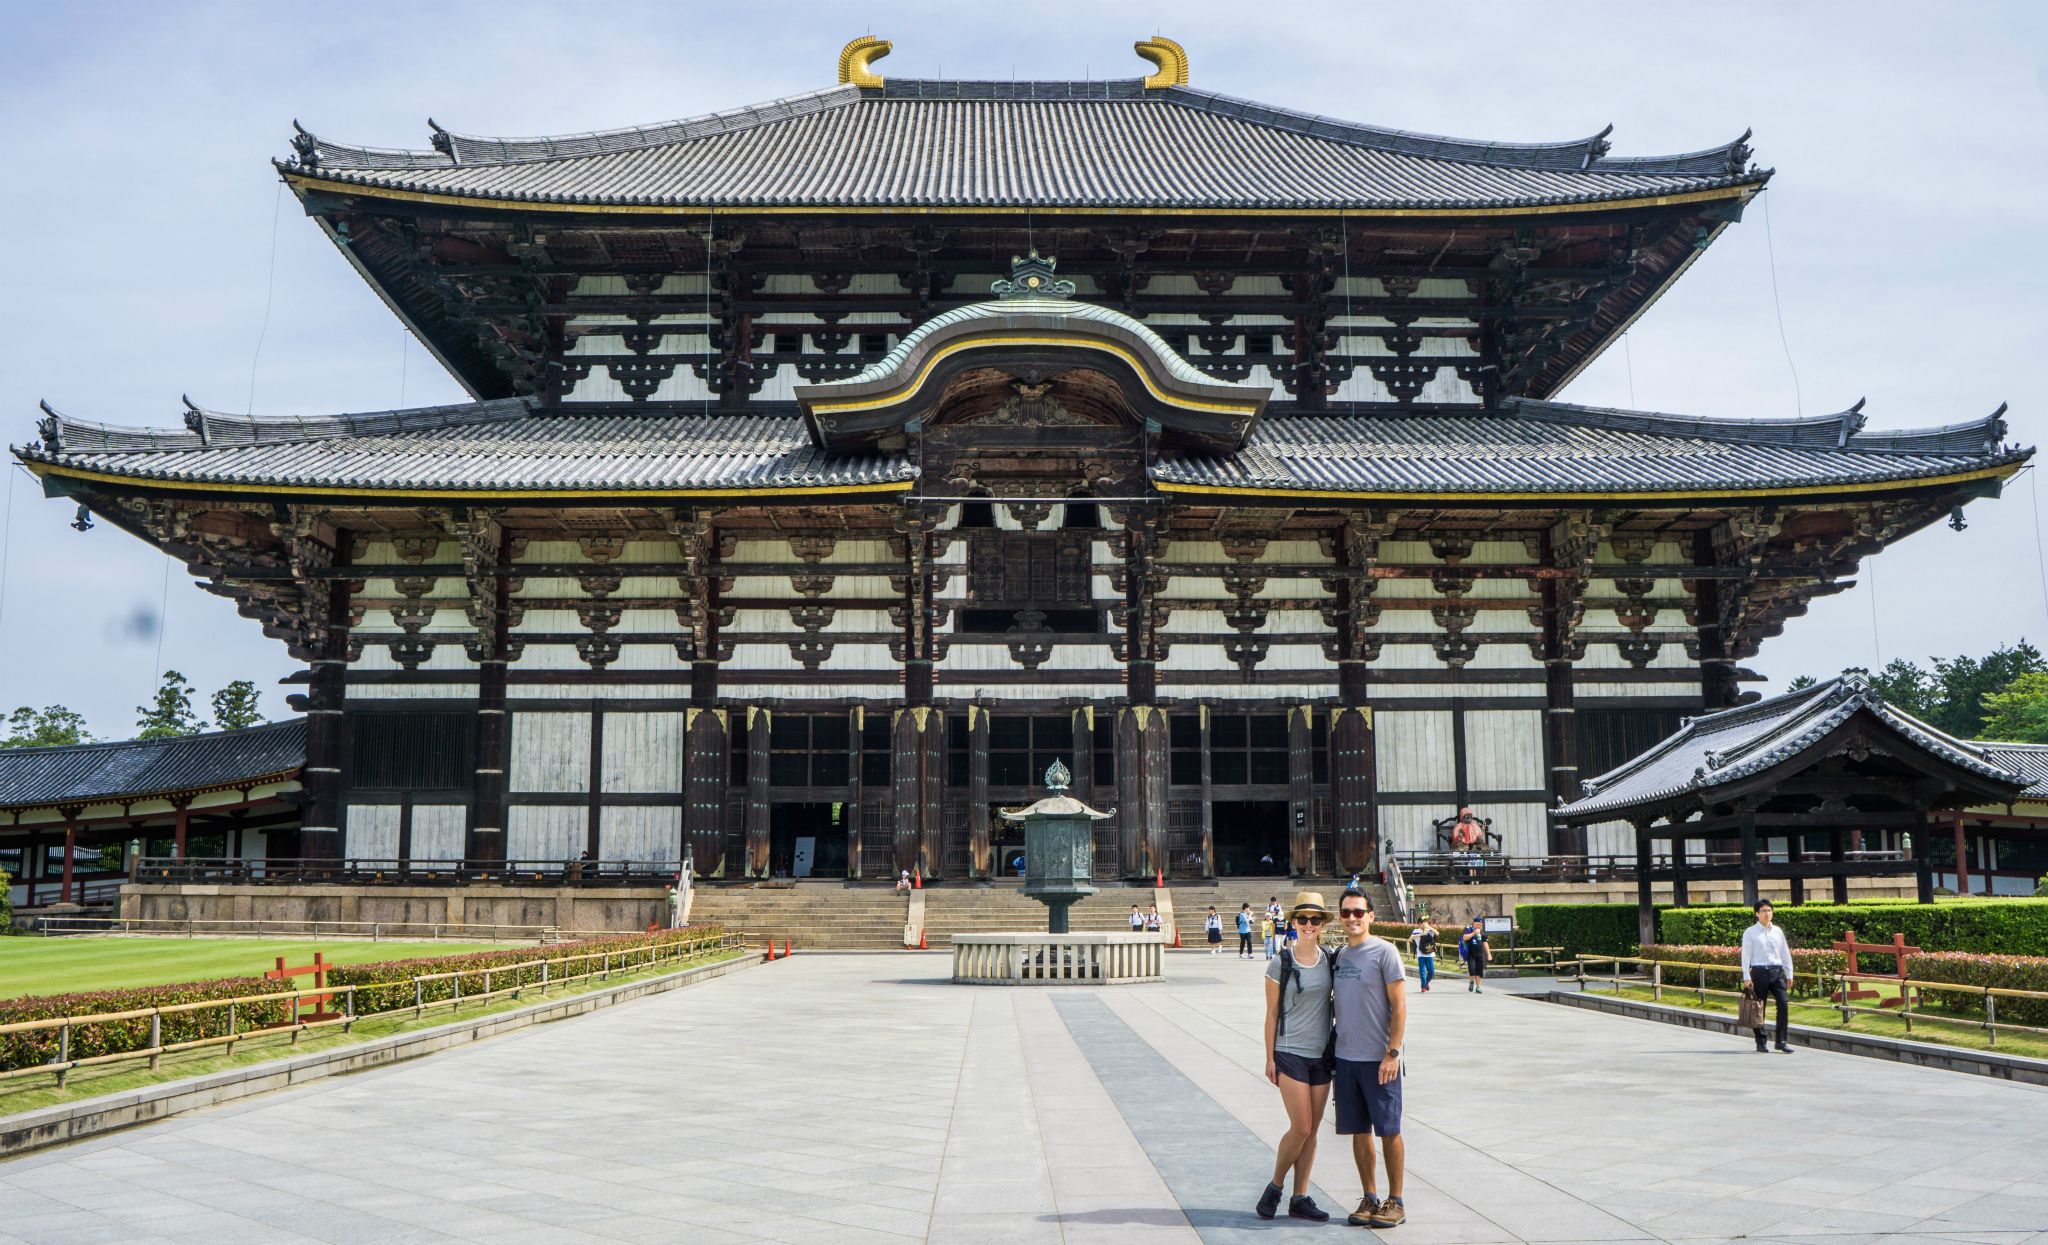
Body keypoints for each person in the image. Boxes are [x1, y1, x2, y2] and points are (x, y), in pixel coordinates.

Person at [1255, 891, 1338, 1223]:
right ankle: (1275, 1186)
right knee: (1300, 1126)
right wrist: (1269, 1057)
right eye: (1302, 919)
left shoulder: (1331, 960)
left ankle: (1299, 1197)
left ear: (1322, 925)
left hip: (1321, 1054)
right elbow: (1271, 1014)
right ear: (1292, 923)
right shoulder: (1281, 962)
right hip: (1289, 1053)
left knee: (1313, 1130)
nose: (1308, 924)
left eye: (1314, 920)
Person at [1331, 888, 1409, 1229]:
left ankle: (1397, 1200)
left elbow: (1400, 1006)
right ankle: (1370, 1196)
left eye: (1358, 912)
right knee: (1359, 1131)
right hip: (1346, 1058)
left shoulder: (1385, 952)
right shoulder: (1339, 956)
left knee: (1388, 1130)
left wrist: (1392, 1053)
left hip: (1379, 1059)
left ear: (1371, 916)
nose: (1352, 918)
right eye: (1346, 912)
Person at [1741, 899, 1795, 1054]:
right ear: (1757, 914)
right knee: (1759, 1008)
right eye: (1764, 911)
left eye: (1769, 910)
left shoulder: (1777, 931)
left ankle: (1781, 1041)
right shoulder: (1750, 933)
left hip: (1776, 972)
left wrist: (1789, 973)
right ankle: (1761, 1042)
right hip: (1758, 972)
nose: (1767, 913)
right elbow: (1746, 956)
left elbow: (1785, 953)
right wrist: (1746, 976)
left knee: (1783, 1004)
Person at [1409, 918, 1438, 993]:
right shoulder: (1416, 931)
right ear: (1419, 923)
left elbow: (1437, 933)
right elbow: (1410, 939)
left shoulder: (1429, 930)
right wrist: (1421, 934)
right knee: (1422, 971)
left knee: (1431, 971)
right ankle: (1423, 987)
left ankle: (1426, 982)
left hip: (1429, 953)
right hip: (1420, 954)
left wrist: (1429, 927)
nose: (1424, 924)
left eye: (1426, 922)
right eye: (1423, 923)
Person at [1460, 919, 1489, 992]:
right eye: (1477, 924)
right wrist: (1474, 933)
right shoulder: (1468, 929)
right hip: (1470, 954)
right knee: (1472, 970)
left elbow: (1485, 943)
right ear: (1473, 923)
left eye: (1480, 925)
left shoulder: (1482, 932)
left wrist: (1488, 954)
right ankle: (1471, 982)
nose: (1479, 926)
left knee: (1479, 971)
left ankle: (1478, 987)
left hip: (1480, 954)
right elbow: (1464, 937)